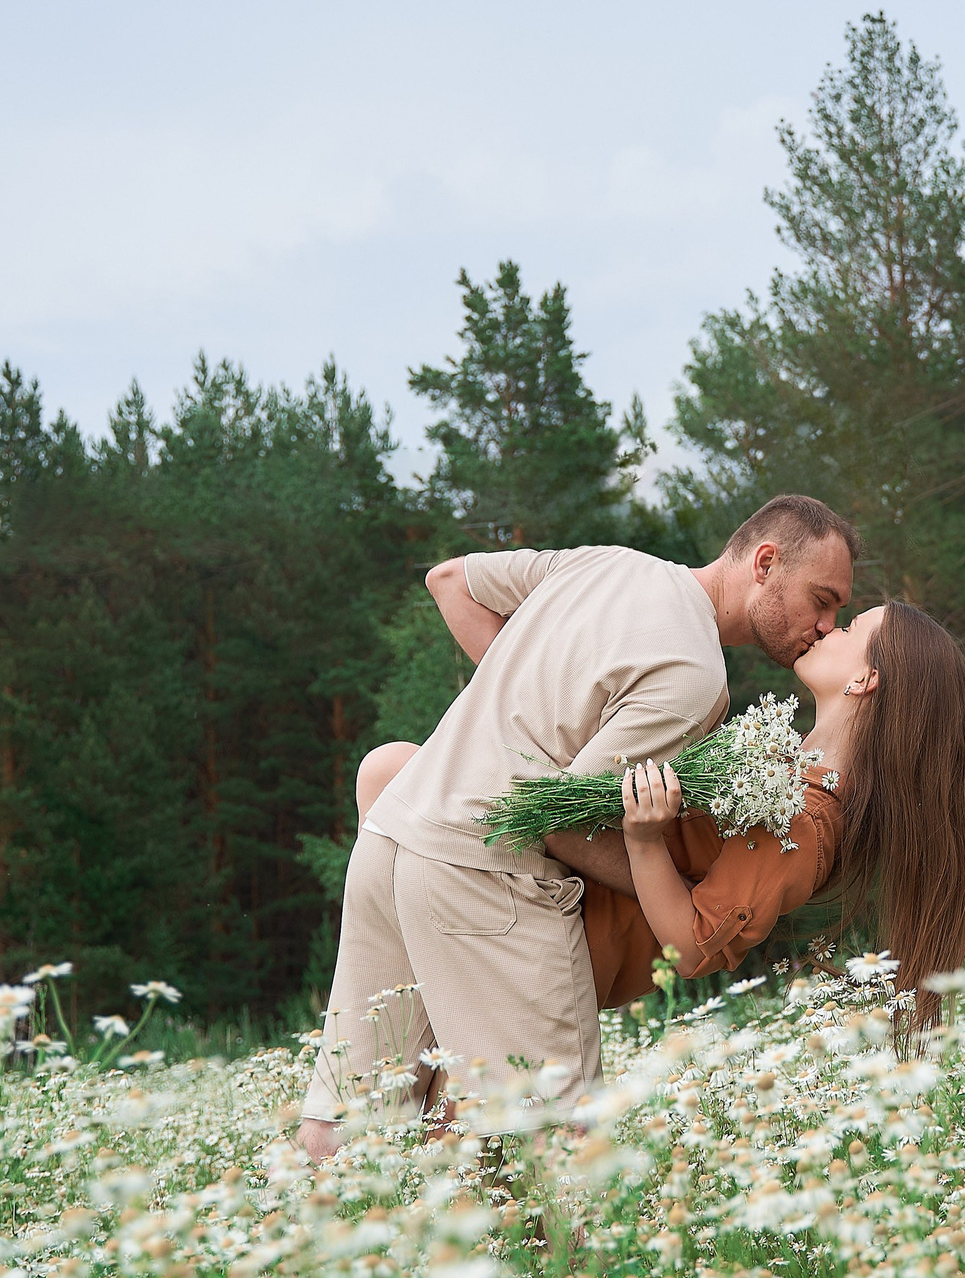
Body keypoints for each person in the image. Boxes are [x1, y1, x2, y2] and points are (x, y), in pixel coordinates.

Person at [296, 496, 856, 1161]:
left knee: (340, 1129)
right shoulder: (696, 676)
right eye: (822, 599)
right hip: (484, 875)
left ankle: (323, 1260)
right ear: (766, 562)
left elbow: (450, 581)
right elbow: (560, 820)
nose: (826, 625)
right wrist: (678, 881)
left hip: (394, 830)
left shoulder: (608, 564)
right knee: (564, 1156)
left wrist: (521, 703)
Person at [351, 601, 965, 1026]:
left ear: (865, 680)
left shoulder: (807, 822)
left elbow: (688, 948)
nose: (831, 627)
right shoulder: (777, 758)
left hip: (572, 936)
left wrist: (645, 838)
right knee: (391, 771)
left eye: (851, 630)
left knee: (455, 1135)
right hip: (550, 880)